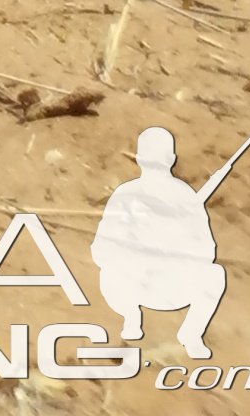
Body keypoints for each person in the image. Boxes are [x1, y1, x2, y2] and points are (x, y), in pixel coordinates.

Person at [92, 127, 231, 357]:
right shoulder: (128, 195)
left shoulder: (185, 198)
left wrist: (176, 246)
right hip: (132, 284)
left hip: (168, 284)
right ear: (172, 159)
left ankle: (191, 334)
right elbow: (102, 249)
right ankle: (131, 318)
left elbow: (207, 251)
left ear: (139, 158)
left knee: (215, 274)